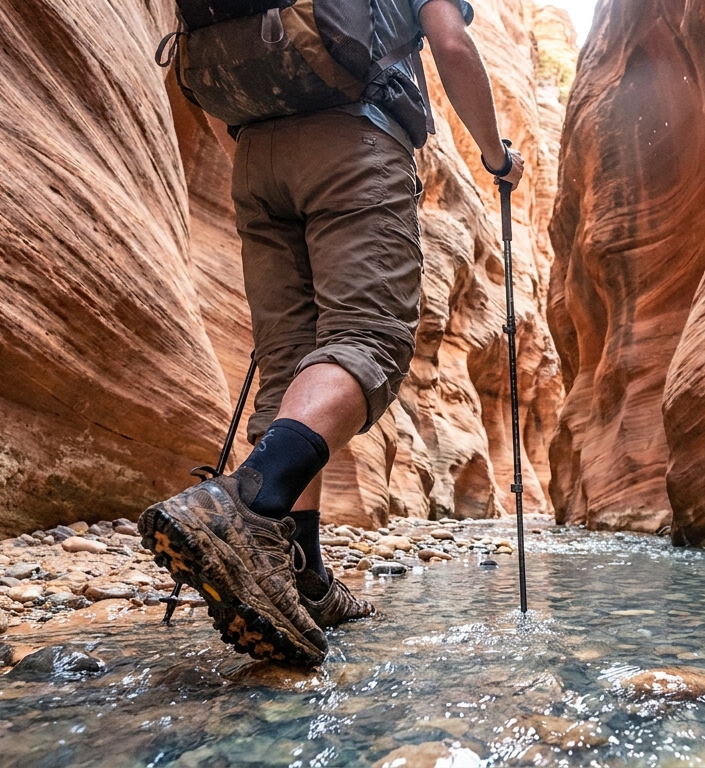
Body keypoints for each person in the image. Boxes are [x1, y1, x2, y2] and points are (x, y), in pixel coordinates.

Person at [139, 0, 525, 667]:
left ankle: (304, 575)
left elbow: (206, 61)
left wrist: (265, 145)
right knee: (368, 339)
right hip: (352, 139)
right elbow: (452, 46)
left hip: (255, 154)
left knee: (290, 364)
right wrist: (496, 158)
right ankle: (248, 501)